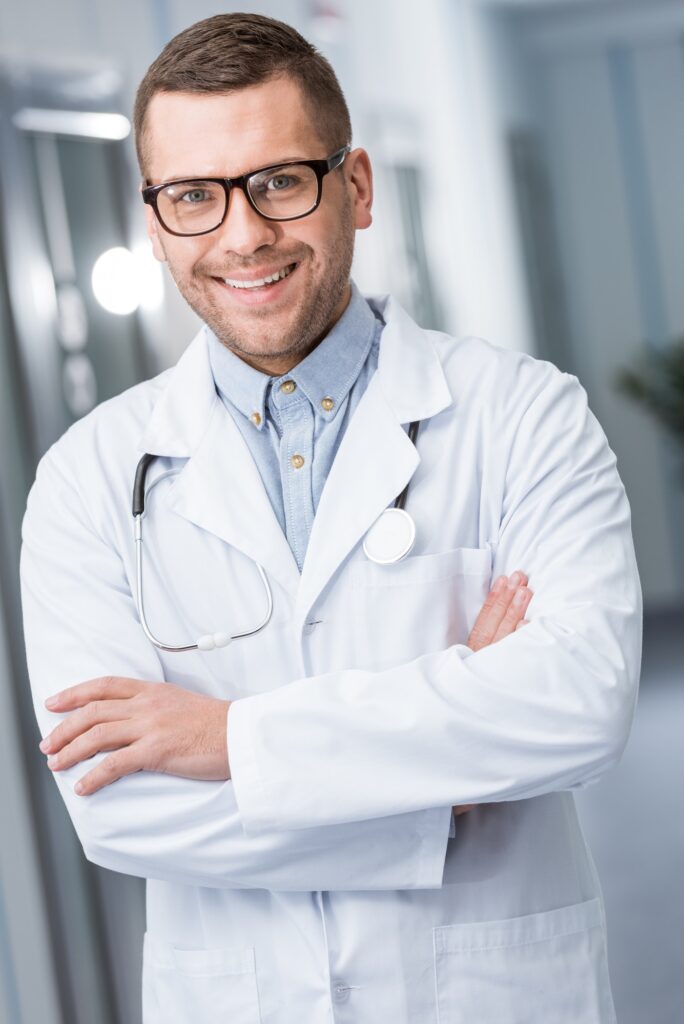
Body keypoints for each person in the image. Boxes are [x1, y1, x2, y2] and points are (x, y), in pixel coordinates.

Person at [20, 13, 642, 1024]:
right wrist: (447, 794)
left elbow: (580, 698)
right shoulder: (87, 478)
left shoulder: (523, 413)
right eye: (193, 196)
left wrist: (227, 739)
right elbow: (121, 811)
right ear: (154, 219)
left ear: (353, 185)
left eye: (278, 181)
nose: (241, 234)